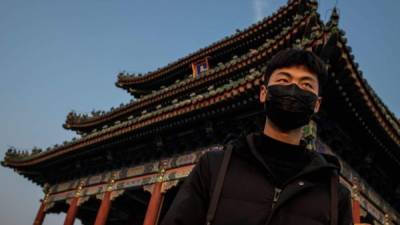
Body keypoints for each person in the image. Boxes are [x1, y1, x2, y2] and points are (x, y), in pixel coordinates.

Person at [160, 49, 353, 225]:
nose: (294, 89)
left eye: (306, 85)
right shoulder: (215, 167)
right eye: (284, 80)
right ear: (263, 93)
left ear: (317, 104)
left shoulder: (335, 195)